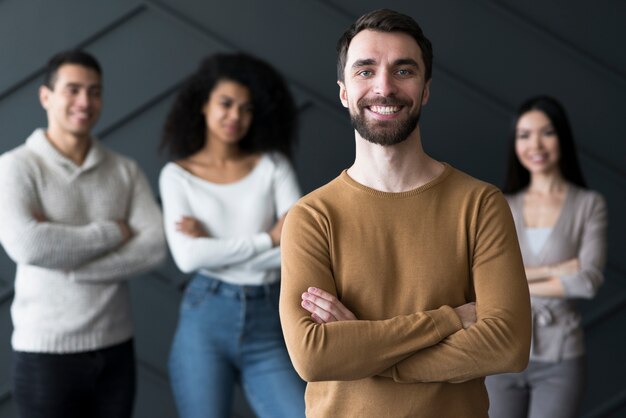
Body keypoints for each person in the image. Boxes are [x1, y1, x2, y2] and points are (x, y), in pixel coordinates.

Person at [278, 9, 533, 418]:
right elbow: (314, 357)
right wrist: (449, 320)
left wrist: (364, 352)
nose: (384, 87)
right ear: (344, 92)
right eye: (365, 71)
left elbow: (509, 344)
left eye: (403, 70)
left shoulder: (481, 204)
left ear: (425, 89)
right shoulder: (312, 216)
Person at [0, 50, 166, 418]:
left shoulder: (124, 170)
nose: (84, 102)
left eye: (94, 91)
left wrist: (73, 263)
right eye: (72, 90)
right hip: (44, 353)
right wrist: (115, 231)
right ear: (46, 96)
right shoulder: (16, 167)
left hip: (116, 350)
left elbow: (154, 246)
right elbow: (28, 245)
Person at [159, 52, 305, 418]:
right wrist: (269, 239)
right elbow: (189, 258)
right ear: (204, 105)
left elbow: (300, 245)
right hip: (206, 319)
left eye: (246, 108)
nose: (235, 117)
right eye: (226, 103)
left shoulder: (272, 165)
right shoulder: (177, 176)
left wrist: (214, 244)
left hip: (270, 319)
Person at [485, 95, 607, 418]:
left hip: (561, 356)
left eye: (546, 132)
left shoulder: (588, 205)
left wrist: (518, 280)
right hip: (504, 350)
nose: (535, 144)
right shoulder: (502, 206)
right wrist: (557, 269)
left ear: (561, 137)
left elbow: (587, 282)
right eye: (524, 135)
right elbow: (487, 284)